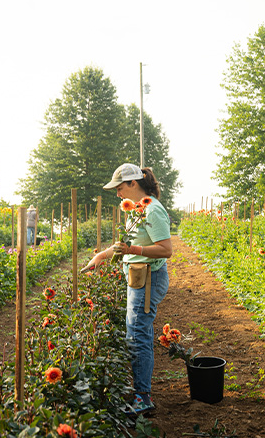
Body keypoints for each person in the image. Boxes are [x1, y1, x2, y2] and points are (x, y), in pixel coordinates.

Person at [81, 163, 172, 416]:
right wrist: (102, 255)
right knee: (135, 333)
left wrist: (132, 251)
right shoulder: (138, 209)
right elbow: (127, 243)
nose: (118, 194)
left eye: (120, 188)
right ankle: (141, 392)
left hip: (149, 278)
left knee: (138, 335)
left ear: (133, 183)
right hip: (139, 278)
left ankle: (143, 398)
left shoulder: (152, 210)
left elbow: (166, 249)